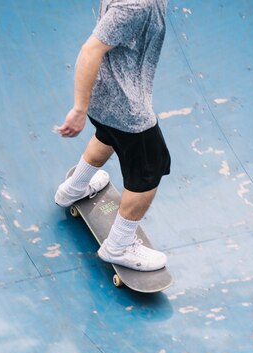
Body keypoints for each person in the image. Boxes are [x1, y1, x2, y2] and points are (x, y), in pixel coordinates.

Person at [55, 0, 171, 272]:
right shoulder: (136, 6)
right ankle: (119, 245)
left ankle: (72, 189)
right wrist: (78, 110)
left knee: (107, 136)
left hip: (103, 95)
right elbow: (90, 50)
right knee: (150, 168)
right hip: (125, 107)